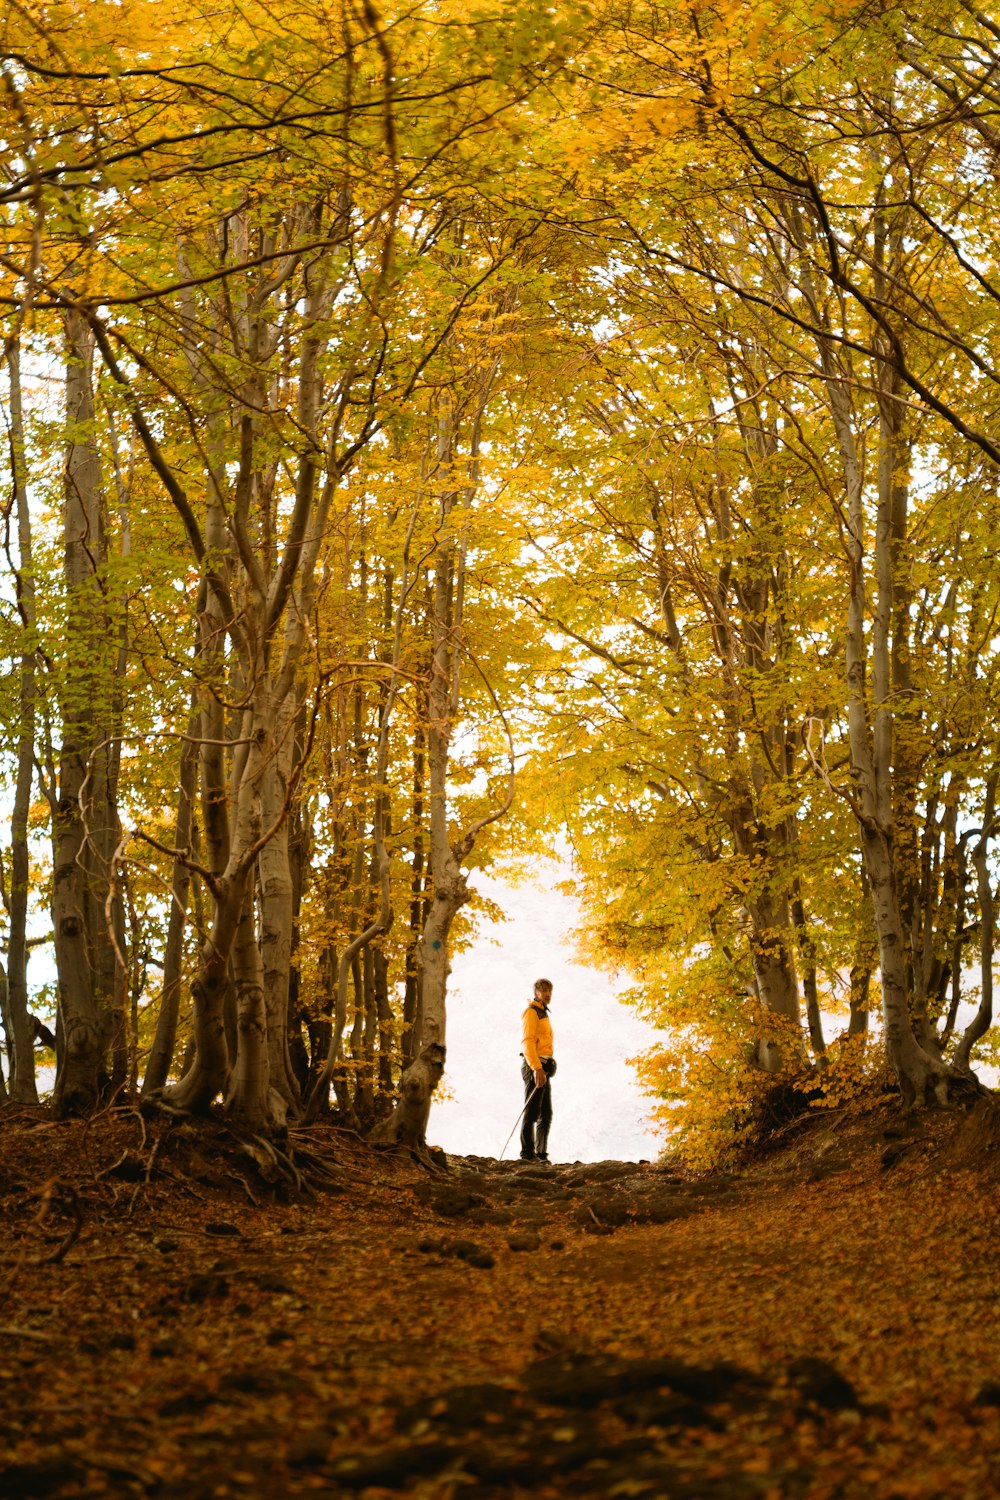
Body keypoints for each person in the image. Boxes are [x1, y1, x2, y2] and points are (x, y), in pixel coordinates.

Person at [519, 978, 556, 1162]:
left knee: (546, 1114)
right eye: (543, 991)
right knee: (532, 1111)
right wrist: (536, 1068)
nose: (547, 994)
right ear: (536, 993)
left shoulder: (544, 1013)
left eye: (549, 991)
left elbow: (544, 1043)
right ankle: (527, 1153)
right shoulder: (531, 1012)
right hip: (534, 1067)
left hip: (543, 1067)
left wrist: (549, 1063)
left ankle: (541, 1154)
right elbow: (527, 1042)